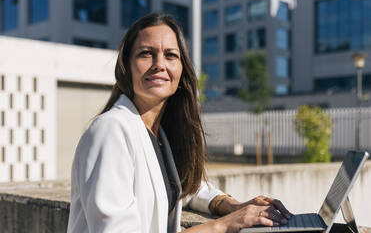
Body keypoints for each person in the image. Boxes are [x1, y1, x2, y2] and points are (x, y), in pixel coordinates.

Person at [67, 13, 292, 233]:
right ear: (126, 66)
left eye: (170, 55)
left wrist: (231, 205)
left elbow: (182, 186)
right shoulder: (111, 130)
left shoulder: (158, 134)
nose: (159, 64)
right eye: (146, 53)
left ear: (181, 70)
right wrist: (223, 225)